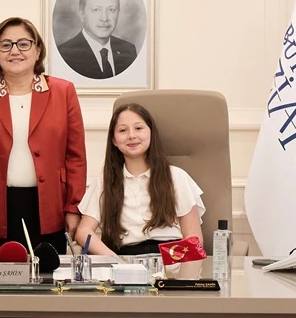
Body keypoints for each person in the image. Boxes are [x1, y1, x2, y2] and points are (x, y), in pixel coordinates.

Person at [0, 17, 87, 255]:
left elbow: (75, 157)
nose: (15, 51)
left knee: (47, 276)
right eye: (6, 45)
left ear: (38, 50)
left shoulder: (63, 92)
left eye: (24, 44)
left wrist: (73, 207)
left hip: (49, 207)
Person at [75, 103, 205, 255]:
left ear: (151, 133)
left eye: (138, 128)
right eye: (123, 130)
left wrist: (174, 264)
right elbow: (83, 231)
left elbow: (194, 237)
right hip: (124, 258)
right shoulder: (105, 181)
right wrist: (113, 259)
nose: (131, 135)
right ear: (114, 140)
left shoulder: (176, 177)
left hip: (170, 257)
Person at [57, 0, 137, 79]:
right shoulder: (65, 54)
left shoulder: (129, 50)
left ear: (118, 13)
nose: (104, 18)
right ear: (82, 14)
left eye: (111, 10)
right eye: (96, 10)